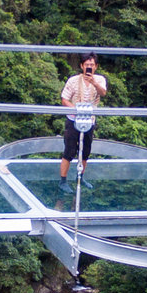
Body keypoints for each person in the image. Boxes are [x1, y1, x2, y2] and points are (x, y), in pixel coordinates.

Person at [59, 53, 108, 194]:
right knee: (69, 150)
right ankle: (63, 180)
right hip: (73, 119)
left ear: (96, 66)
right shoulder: (73, 80)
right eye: (87, 65)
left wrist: (93, 82)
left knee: (85, 150)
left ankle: (80, 177)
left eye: (92, 65)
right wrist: (76, 110)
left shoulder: (100, 79)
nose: (89, 67)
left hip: (89, 120)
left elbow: (103, 93)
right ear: (81, 66)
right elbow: (64, 99)